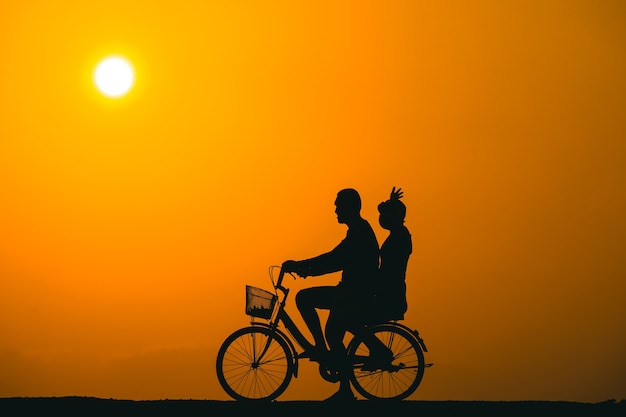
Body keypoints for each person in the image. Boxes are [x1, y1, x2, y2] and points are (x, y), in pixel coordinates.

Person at [282, 188, 379, 401]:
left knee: (313, 309)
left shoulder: (359, 231)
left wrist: (301, 266)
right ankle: (328, 355)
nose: (335, 209)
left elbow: (335, 260)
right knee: (321, 316)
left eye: (338, 205)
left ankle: (323, 353)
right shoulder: (357, 229)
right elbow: (334, 258)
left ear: (349, 207)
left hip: (354, 293)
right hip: (350, 291)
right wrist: (305, 269)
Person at [374, 186, 412, 321]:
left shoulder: (400, 236)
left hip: (390, 294)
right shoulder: (398, 234)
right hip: (389, 290)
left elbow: (391, 269)